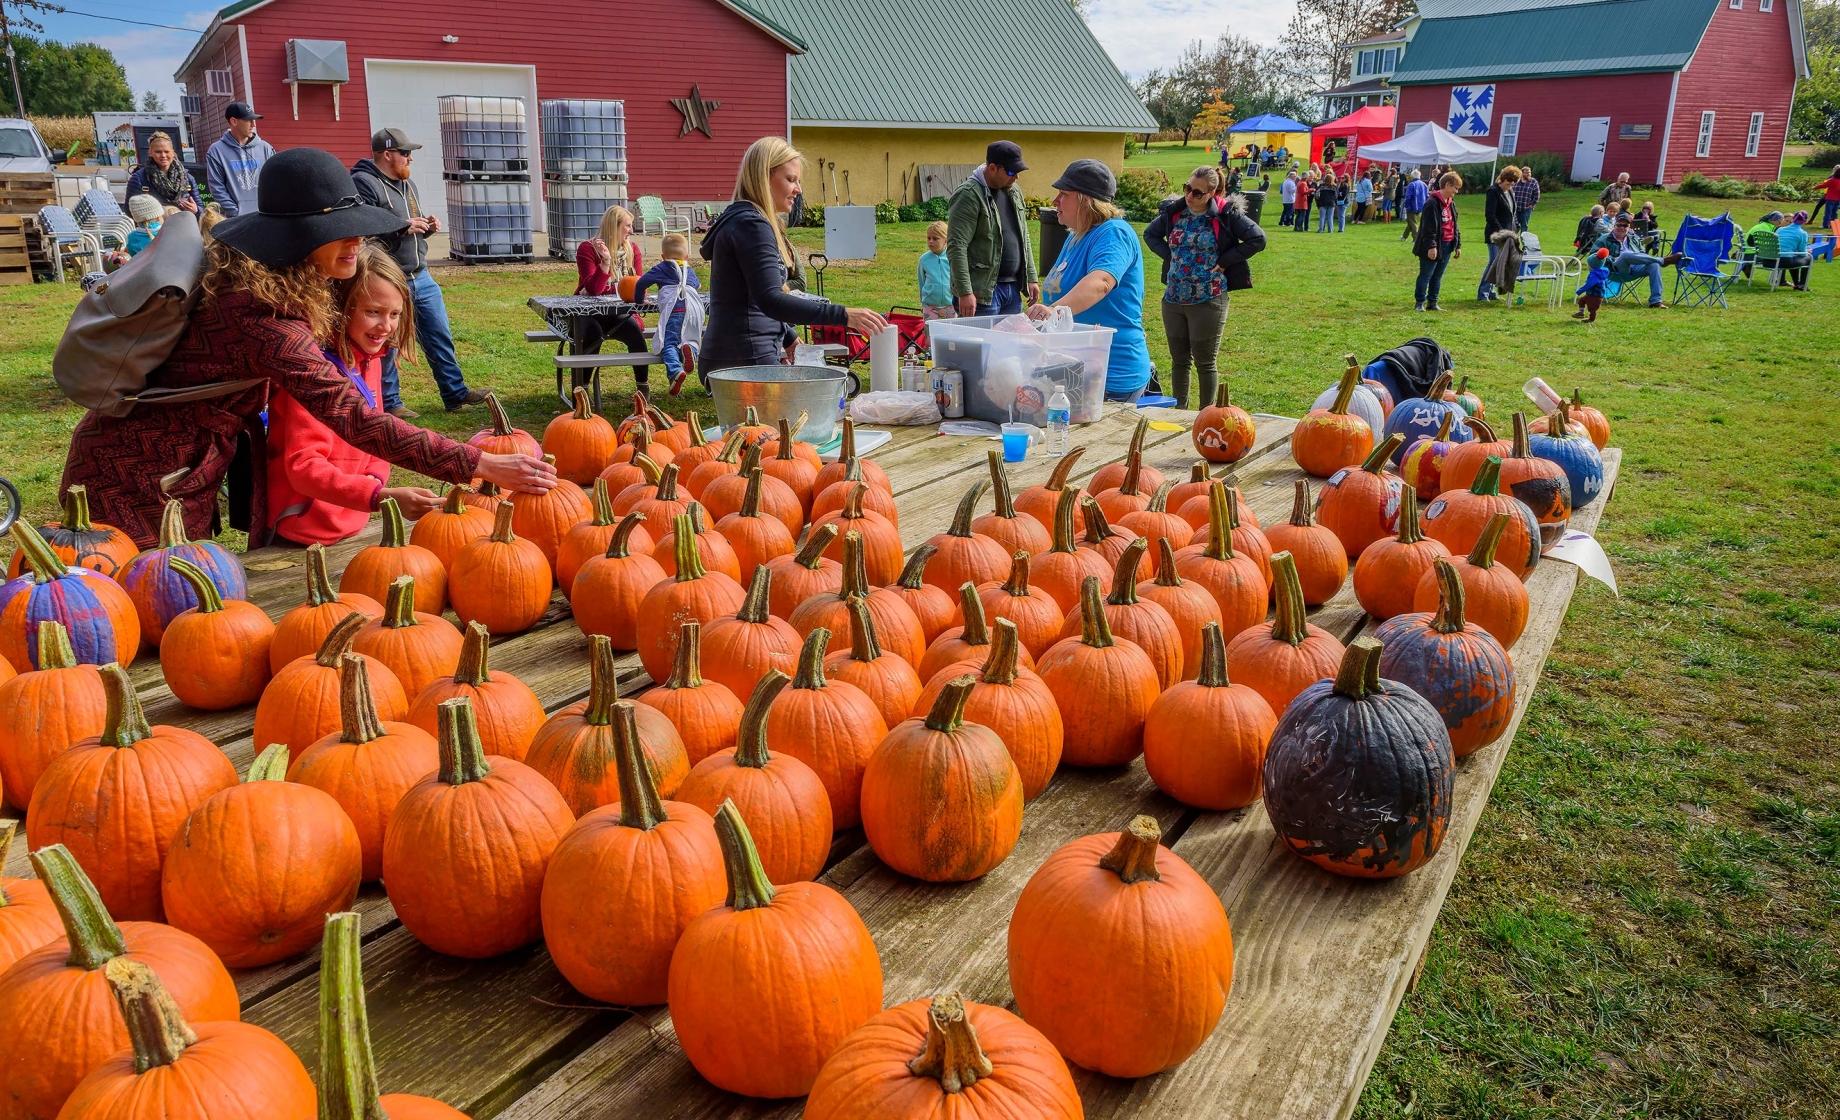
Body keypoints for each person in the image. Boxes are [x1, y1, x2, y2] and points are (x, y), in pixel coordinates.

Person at [60, 147, 553, 548]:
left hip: (171, 466)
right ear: (297, 237)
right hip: (138, 476)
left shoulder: (271, 283)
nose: (356, 240)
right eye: (339, 229)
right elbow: (352, 416)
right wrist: (478, 462)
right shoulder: (263, 318)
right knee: (139, 606)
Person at [268, 243, 441, 547]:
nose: (386, 326)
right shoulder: (312, 373)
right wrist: (378, 496)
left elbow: (376, 431)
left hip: (353, 522)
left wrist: (374, 481)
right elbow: (304, 467)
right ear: (341, 307)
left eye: (395, 314)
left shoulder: (370, 359)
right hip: (302, 532)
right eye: (373, 312)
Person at [700, 137, 885, 374]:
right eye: (790, 179)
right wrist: (844, 315)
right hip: (745, 361)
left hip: (738, 358)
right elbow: (770, 299)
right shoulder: (752, 225)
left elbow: (749, 295)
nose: (798, 189)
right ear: (764, 177)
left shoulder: (744, 221)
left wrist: (787, 335)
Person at [350, 128, 489, 418]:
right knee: (387, 339)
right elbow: (365, 230)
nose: (410, 158)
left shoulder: (407, 184)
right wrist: (402, 227)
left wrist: (426, 227)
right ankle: (391, 403)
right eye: (405, 153)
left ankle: (455, 394)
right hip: (389, 277)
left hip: (420, 275)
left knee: (439, 334)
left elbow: (409, 227)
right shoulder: (364, 183)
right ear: (387, 154)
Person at [1143, 166, 1266, 409]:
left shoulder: (1226, 214)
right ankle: (1179, 412)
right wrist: (1170, 256)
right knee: (1179, 361)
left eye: (1197, 193)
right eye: (1187, 188)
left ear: (1212, 193)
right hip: (1174, 298)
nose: (1189, 195)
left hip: (1208, 298)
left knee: (1205, 362)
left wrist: (1226, 260)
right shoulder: (1174, 212)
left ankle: (1206, 415)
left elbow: (1258, 239)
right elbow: (1150, 235)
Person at [1029, 159, 1151, 402]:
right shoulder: (1076, 236)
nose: (1055, 201)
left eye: (1064, 194)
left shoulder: (1114, 233)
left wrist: (1053, 311)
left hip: (1111, 375)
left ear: (1086, 200)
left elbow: (1101, 282)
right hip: (1075, 371)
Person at [567, 203, 653, 392]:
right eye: (628, 225)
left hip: (620, 313)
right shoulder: (587, 249)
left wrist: (615, 289)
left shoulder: (632, 250)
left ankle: (643, 389)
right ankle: (582, 391)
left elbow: (638, 287)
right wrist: (605, 262)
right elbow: (594, 289)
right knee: (591, 334)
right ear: (614, 226)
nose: (631, 230)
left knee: (635, 333)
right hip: (589, 313)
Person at [946, 140, 1038, 316]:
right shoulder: (969, 195)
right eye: (1011, 172)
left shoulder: (1014, 191)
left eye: (1018, 172)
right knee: (983, 336)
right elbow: (957, 246)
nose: (1016, 177)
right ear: (993, 168)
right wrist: (965, 292)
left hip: (1012, 289)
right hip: (981, 293)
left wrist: (1031, 277)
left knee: (1010, 335)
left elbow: (1023, 236)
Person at [632, 232, 704, 394]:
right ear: (686, 256)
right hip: (693, 311)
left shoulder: (662, 268)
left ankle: (675, 371)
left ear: (663, 256)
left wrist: (639, 300)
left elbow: (641, 282)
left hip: (675, 310)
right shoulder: (689, 269)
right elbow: (696, 285)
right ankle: (690, 352)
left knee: (669, 343)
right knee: (692, 338)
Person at [1592, 212, 1681, 307]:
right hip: (1614, 270)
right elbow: (1594, 255)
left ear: (1629, 227)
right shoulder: (1604, 239)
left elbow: (1642, 253)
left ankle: (1656, 301)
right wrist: (1611, 259)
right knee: (1625, 255)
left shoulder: (1634, 238)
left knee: (1654, 265)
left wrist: (1639, 259)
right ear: (1614, 225)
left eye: (1625, 225)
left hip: (1635, 269)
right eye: (1619, 225)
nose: (1621, 227)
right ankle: (1662, 261)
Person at [204, 102, 273, 219]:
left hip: (265, 217)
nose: (253, 125)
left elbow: (275, 180)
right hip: (236, 220)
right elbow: (217, 188)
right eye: (249, 120)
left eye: (254, 120)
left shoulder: (265, 148)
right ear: (234, 121)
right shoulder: (216, 151)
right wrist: (236, 213)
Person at [1413, 172, 1463, 312]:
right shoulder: (1432, 203)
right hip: (1433, 245)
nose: (1456, 191)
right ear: (1447, 185)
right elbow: (1428, 228)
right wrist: (1432, 246)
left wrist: (1457, 244)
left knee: (1438, 276)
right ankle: (1420, 303)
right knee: (1426, 274)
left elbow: (1455, 225)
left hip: (1447, 244)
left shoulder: (1451, 203)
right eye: (1455, 188)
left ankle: (1433, 302)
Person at [125, 131, 200, 214]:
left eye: (166, 151)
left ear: (173, 152)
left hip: (183, 221)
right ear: (150, 153)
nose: (163, 155)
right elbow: (130, 212)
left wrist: (196, 210)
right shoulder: (139, 179)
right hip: (154, 222)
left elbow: (201, 210)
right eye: (158, 152)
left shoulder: (187, 178)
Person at [1477, 167, 1521, 302]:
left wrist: (1516, 227)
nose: (1510, 186)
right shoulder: (1493, 191)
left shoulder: (1510, 192)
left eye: (1513, 183)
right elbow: (1490, 215)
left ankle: (1491, 292)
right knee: (1494, 262)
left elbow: (1512, 213)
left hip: (1509, 234)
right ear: (1502, 179)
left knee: (1500, 263)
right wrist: (1502, 232)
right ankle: (1483, 292)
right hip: (1495, 234)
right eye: (1508, 183)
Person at [917, 220, 954, 319]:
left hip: (950, 305)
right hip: (930, 306)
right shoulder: (924, 260)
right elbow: (921, 281)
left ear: (946, 240)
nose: (931, 241)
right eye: (928, 238)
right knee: (930, 329)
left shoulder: (952, 257)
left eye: (935, 238)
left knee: (951, 328)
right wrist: (923, 302)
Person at [1772, 210, 1813, 290]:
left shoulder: (1780, 230)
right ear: (1804, 221)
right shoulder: (1803, 233)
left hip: (1773, 260)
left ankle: (1797, 284)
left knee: (1794, 257)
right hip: (1786, 261)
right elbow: (1802, 253)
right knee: (1809, 258)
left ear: (1793, 219)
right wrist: (1806, 251)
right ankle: (1802, 284)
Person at [1573, 247, 1611, 323]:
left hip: (1596, 296)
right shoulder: (1601, 271)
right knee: (1581, 301)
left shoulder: (1595, 275)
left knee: (1592, 308)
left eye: (1588, 265)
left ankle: (1591, 319)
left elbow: (1589, 285)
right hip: (1591, 294)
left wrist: (1580, 291)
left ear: (1592, 266)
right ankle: (1581, 313)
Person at [1512, 166, 1540, 233]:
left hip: (1526, 209)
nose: (1529, 174)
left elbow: (1537, 195)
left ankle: (1523, 239)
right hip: (1515, 209)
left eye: (1529, 172)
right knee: (1514, 226)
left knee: (1524, 226)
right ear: (1522, 173)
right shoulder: (1516, 182)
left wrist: (1532, 205)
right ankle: (1514, 239)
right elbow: (1511, 192)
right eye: (1526, 173)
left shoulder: (1533, 182)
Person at [1401, 169, 1427, 242]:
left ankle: (1416, 239)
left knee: (1413, 223)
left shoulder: (1412, 184)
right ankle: (1404, 237)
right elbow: (1427, 196)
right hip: (1421, 206)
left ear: (1412, 176)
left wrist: (1406, 205)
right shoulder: (1424, 184)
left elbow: (1408, 197)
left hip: (1412, 206)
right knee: (1411, 222)